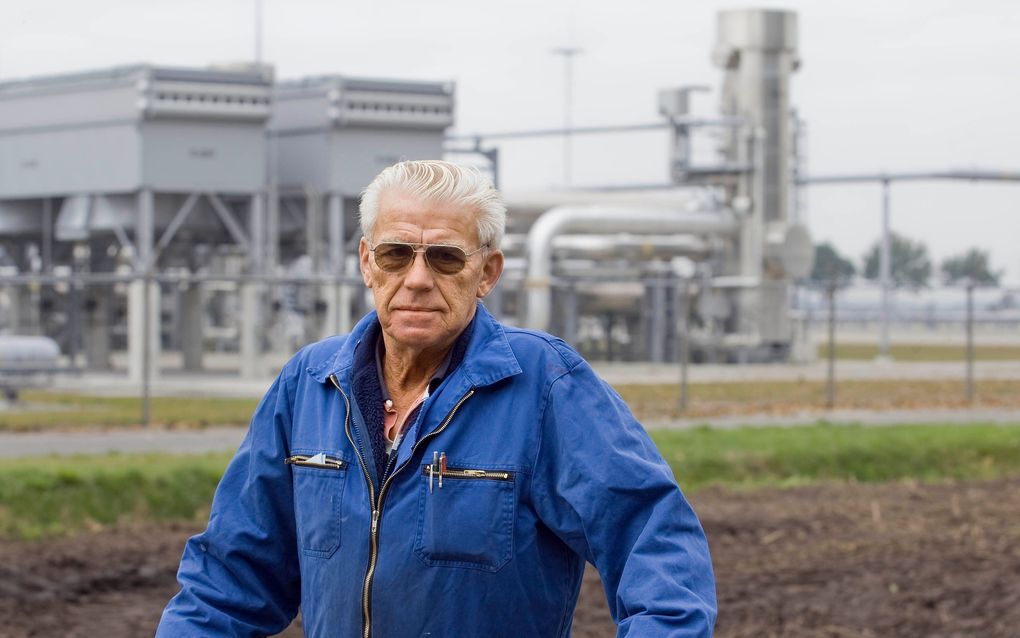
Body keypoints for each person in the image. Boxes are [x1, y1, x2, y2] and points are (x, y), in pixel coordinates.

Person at [157, 160, 716, 637]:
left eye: (445, 258)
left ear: (487, 272)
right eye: (396, 254)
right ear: (366, 263)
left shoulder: (545, 386)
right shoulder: (308, 384)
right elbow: (231, 576)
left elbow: (655, 544)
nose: (418, 278)